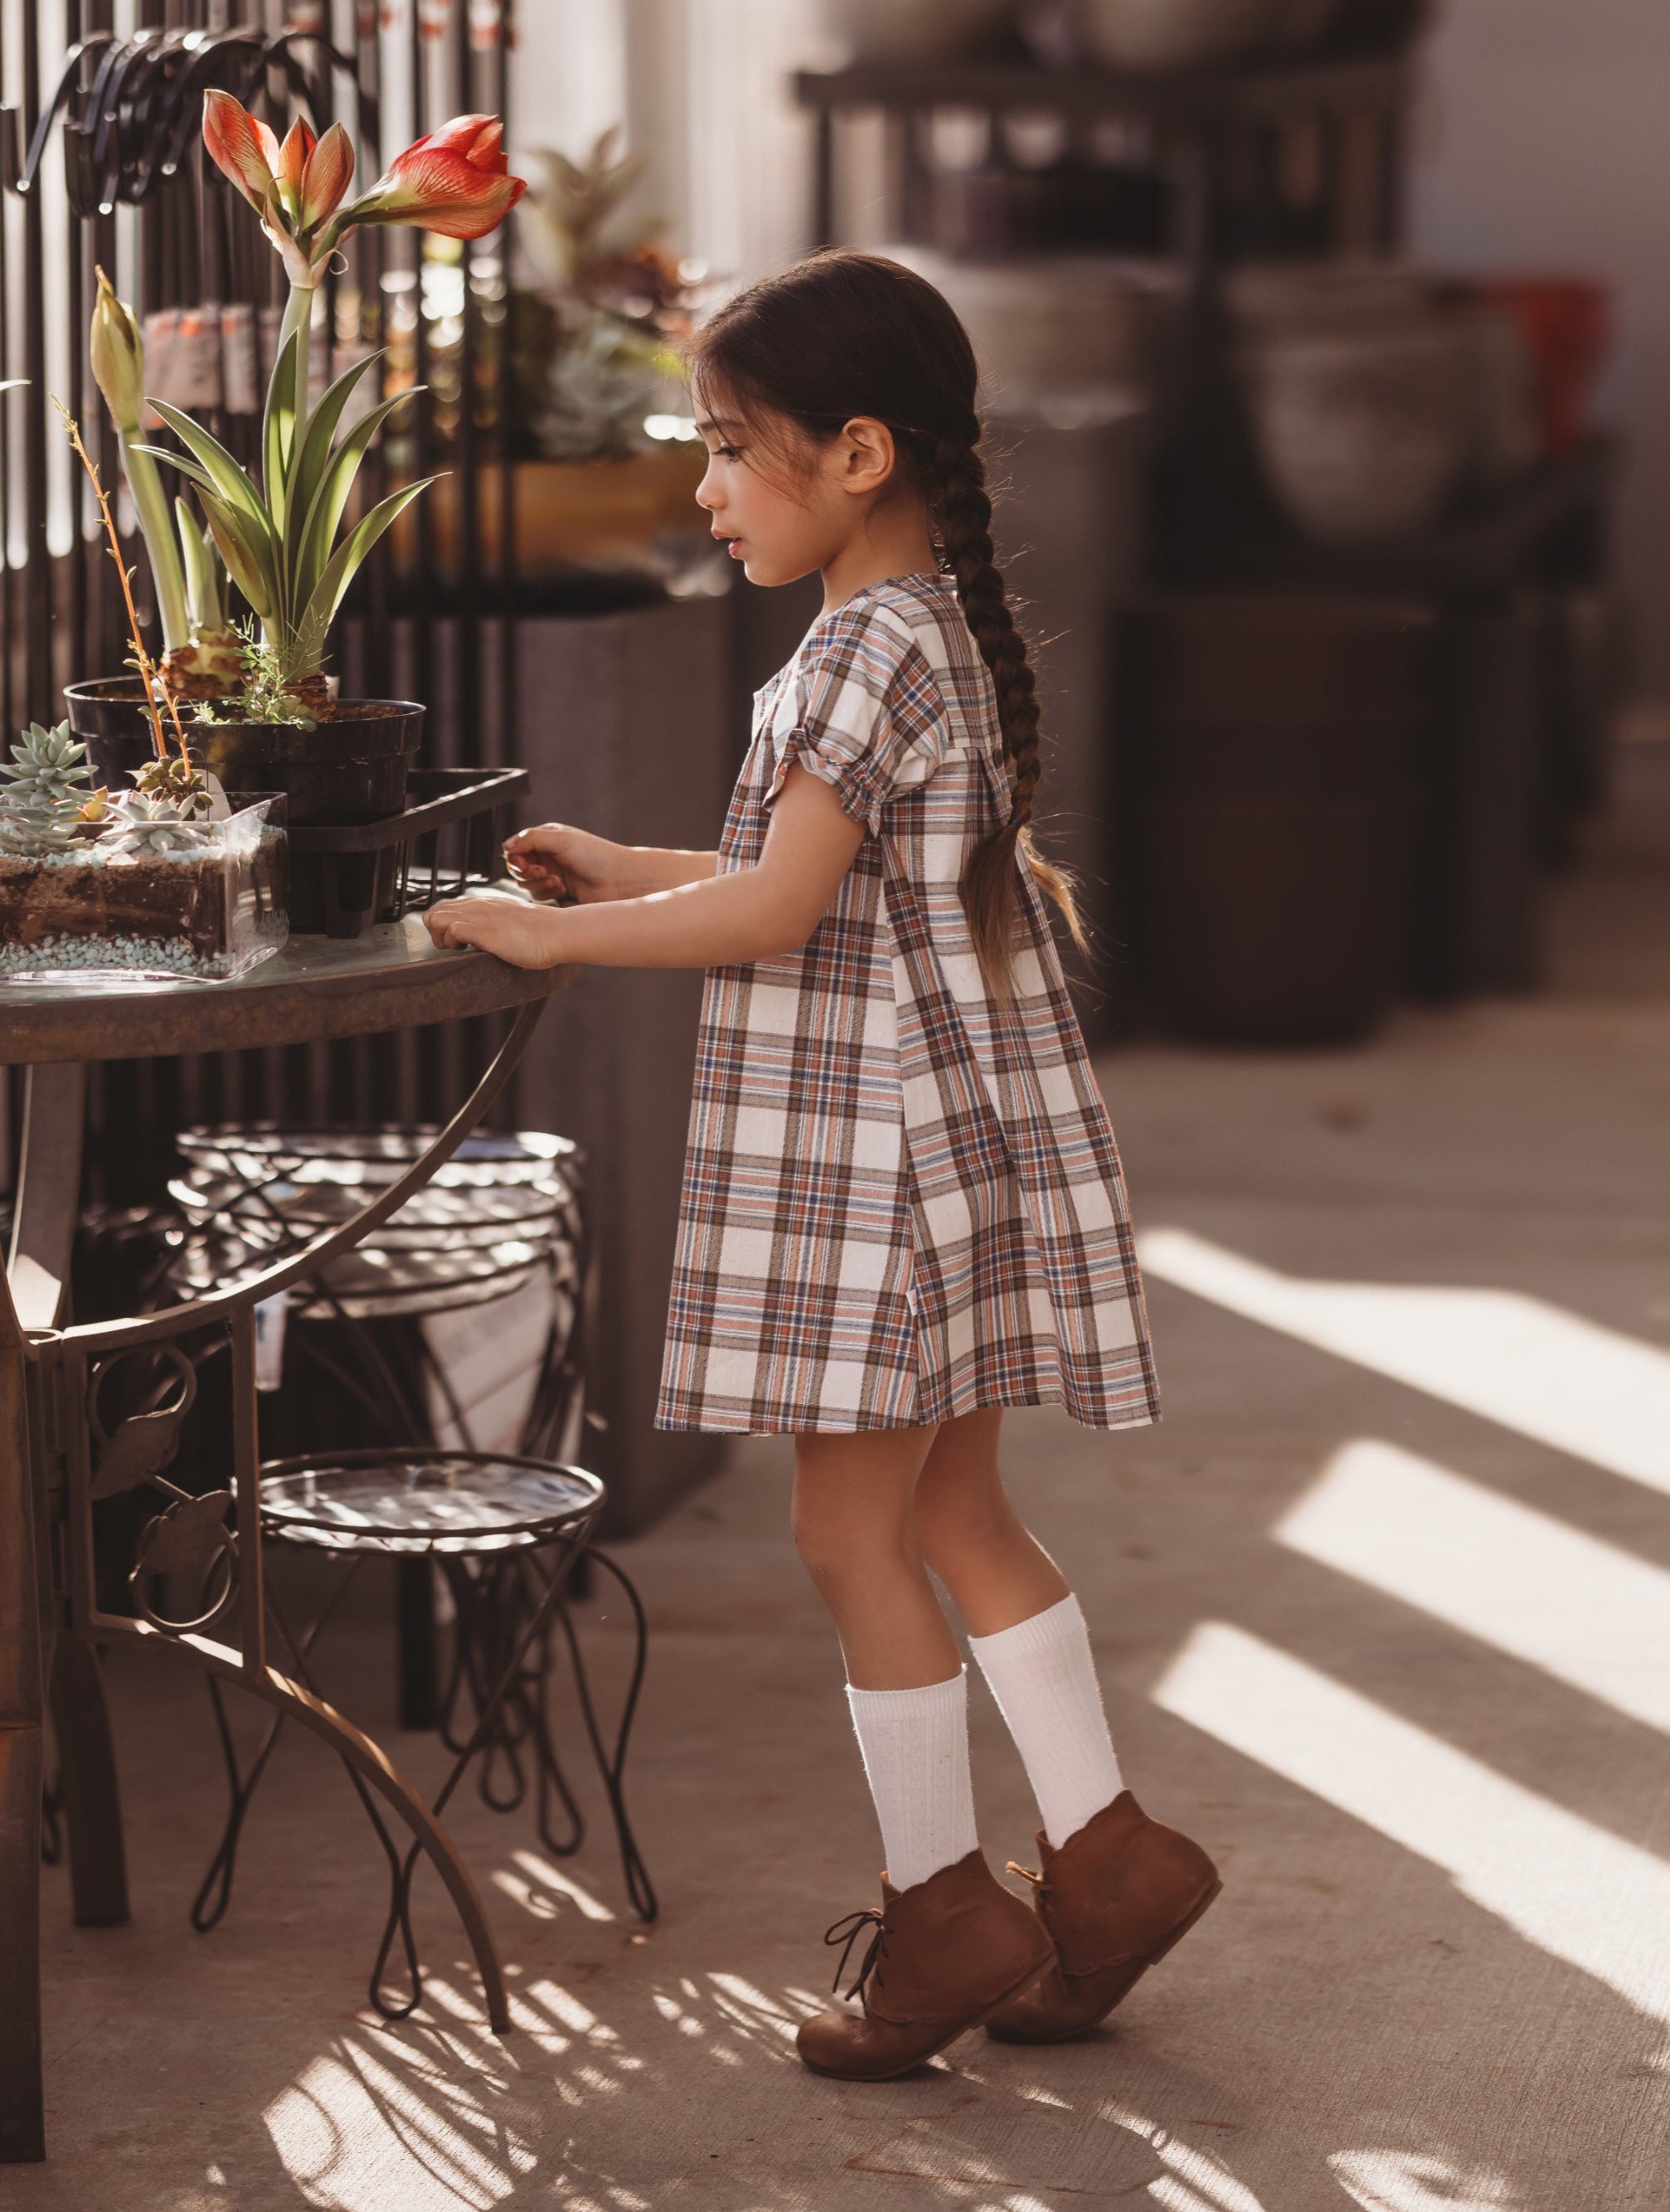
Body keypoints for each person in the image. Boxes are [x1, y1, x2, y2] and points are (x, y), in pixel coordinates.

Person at [425, 250, 1217, 2083]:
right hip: (953, 1139)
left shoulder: (858, 647)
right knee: (953, 1517)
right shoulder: (932, 624)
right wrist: (619, 871)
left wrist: (547, 945)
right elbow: (826, 882)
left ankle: (943, 1907)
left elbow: (780, 905)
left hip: (865, 1166)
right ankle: (1105, 1857)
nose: (703, 488)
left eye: (726, 448)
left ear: (856, 450)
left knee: (844, 1529)